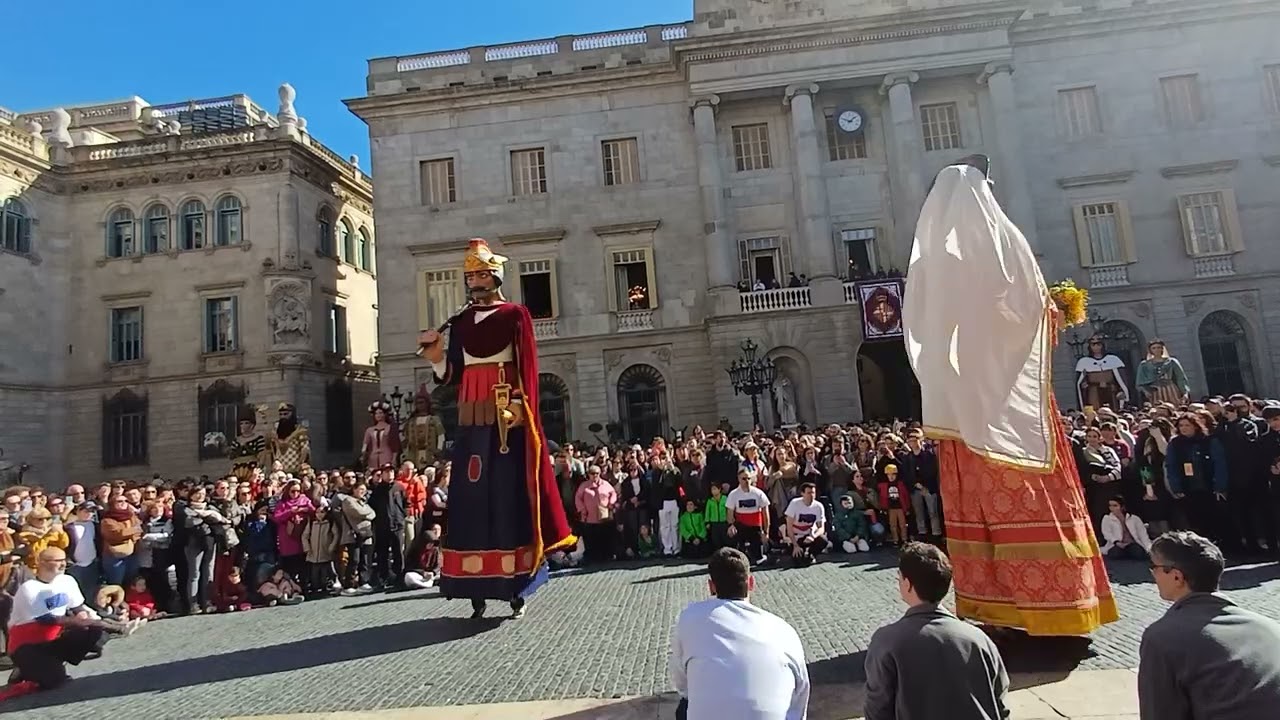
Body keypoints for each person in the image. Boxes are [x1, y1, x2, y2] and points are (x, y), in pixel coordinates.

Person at [903, 158, 1118, 636]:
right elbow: (1022, 316)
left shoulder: (932, 262)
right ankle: (1057, 608)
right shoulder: (1003, 245)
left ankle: (992, 607)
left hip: (962, 416)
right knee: (1034, 502)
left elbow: (930, 334)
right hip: (1007, 414)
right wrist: (1053, 312)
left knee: (977, 511)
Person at [417, 238, 576, 620]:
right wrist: (437, 357)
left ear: (496, 276)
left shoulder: (515, 315)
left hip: (506, 416)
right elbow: (452, 372)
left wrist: (522, 408)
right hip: (471, 417)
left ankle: (514, 583)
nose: (475, 281)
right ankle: (472, 584)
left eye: (482, 274)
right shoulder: (461, 322)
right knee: (470, 497)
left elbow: (528, 367)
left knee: (507, 496)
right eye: (470, 275)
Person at [1138, 531, 1280, 719]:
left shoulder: (1162, 638)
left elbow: (1159, 713)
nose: (1152, 574)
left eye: (1153, 566)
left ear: (1176, 577)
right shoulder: (1269, 627)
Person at [864, 542, 1010, 720]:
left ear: (908, 584)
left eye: (899, 578)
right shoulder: (979, 639)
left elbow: (877, 709)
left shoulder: (887, 641)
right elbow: (1000, 703)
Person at [669, 547, 808, 720]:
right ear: (751, 583)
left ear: (711, 587)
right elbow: (801, 695)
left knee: (684, 707)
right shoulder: (784, 630)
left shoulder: (689, 617)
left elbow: (682, 684)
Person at [5, 548, 139, 696]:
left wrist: (83, 616)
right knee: (55, 682)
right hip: (27, 645)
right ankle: (26, 668)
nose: (63, 565)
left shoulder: (67, 581)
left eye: (64, 561)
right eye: (57, 561)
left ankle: (56, 661)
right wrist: (85, 622)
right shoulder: (29, 588)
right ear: (41, 563)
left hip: (52, 638)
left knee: (92, 632)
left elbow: (77, 606)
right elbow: (46, 619)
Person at [1100, 496, 1152, 560]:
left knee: (1138, 554)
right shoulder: (1107, 518)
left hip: (1132, 543)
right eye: (1110, 506)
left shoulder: (1134, 518)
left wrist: (1149, 549)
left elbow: (1143, 534)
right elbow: (1107, 533)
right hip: (1117, 544)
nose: (1112, 508)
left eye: (1115, 506)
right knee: (1115, 554)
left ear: (1122, 507)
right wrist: (1116, 542)